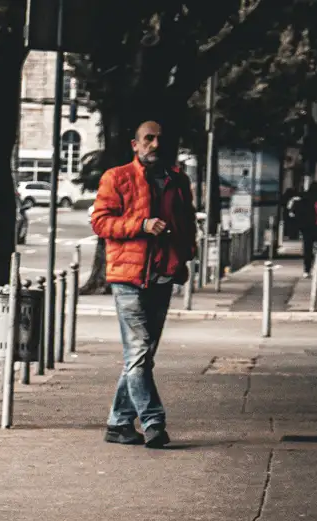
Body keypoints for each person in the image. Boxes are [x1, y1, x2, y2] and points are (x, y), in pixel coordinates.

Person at [89, 119, 195, 450]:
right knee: (137, 351)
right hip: (128, 278)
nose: (155, 144)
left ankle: (119, 422)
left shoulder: (178, 180)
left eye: (160, 139)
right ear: (135, 145)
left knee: (143, 354)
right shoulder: (117, 177)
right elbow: (100, 221)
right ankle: (153, 421)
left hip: (162, 277)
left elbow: (187, 223)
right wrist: (142, 224)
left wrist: (184, 259)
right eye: (148, 139)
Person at [292, 182, 317, 276]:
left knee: (307, 248)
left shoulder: (304, 198)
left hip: (307, 227)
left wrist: (299, 223)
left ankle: (307, 269)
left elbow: (295, 210)